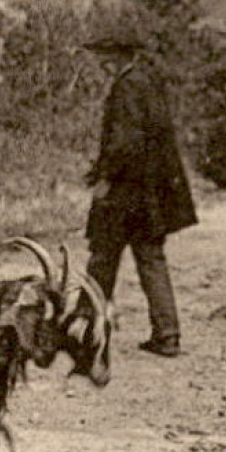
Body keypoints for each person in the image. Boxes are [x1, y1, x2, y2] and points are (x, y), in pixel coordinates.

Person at [83, 34, 197, 357]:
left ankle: (86, 331)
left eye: (102, 55)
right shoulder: (147, 81)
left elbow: (124, 143)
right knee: (150, 259)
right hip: (148, 195)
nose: (99, 63)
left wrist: (104, 178)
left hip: (125, 192)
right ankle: (168, 335)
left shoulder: (126, 87)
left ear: (116, 55)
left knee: (103, 257)